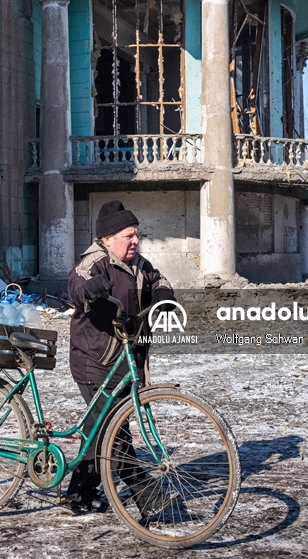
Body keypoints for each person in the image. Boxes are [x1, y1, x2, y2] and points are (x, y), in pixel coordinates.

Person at [64, 200, 176, 516]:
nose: (135, 241)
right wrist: (90, 289)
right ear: (108, 238)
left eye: (136, 234)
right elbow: (75, 284)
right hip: (94, 361)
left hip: (125, 363)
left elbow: (159, 279)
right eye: (129, 235)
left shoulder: (139, 264)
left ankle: (79, 494)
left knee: (100, 431)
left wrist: (163, 294)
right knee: (116, 433)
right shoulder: (94, 262)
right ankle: (149, 496)